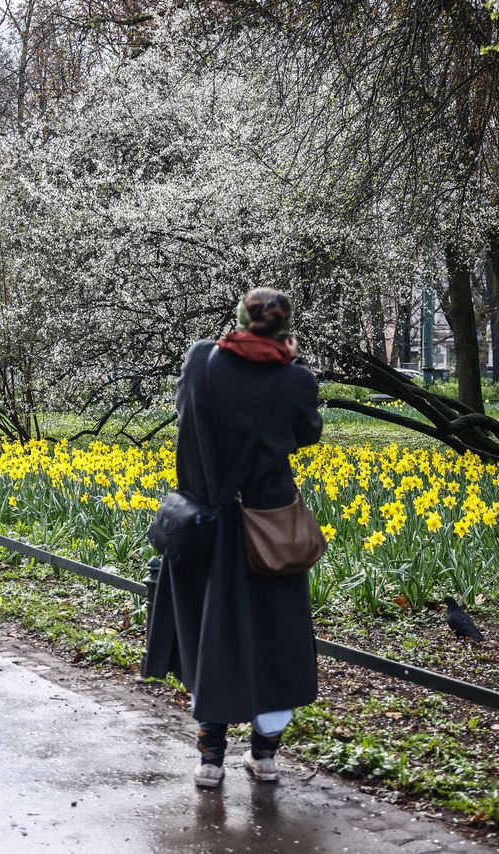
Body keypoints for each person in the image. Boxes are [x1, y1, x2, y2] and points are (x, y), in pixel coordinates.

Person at [144, 287, 323, 789]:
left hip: (203, 526)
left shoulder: (200, 361)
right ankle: (264, 756)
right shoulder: (295, 380)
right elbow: (307, 433)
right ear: (284, 329)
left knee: (209, 633)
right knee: (276, 636)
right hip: (268, 530)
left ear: (241, 319)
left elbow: (186, 414)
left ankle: (210, 759)